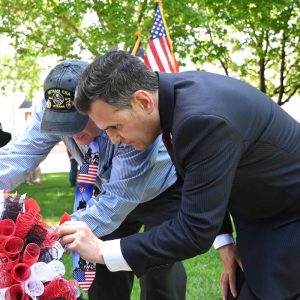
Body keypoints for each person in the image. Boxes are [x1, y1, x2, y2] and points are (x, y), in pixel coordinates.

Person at [59, 50, 300, 300]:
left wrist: (101, 251)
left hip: (289, 220)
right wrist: (225, 241)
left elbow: (194, 231)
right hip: (262, 217)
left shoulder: (200, 120)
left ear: (143, 101)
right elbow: (199, 180)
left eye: (115, 126)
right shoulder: (176, 101)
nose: (113, 138)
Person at [0, 60, 190, 300]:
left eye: (79, 121)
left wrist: (51, 238)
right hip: (105, 193)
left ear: (97, 104)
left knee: (158, 273)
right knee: (103, 279)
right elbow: (18, 155)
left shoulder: (125, 116)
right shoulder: (51, 107)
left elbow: (120, 197)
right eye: (63, 125)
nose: (72, 134)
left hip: (160, 190)